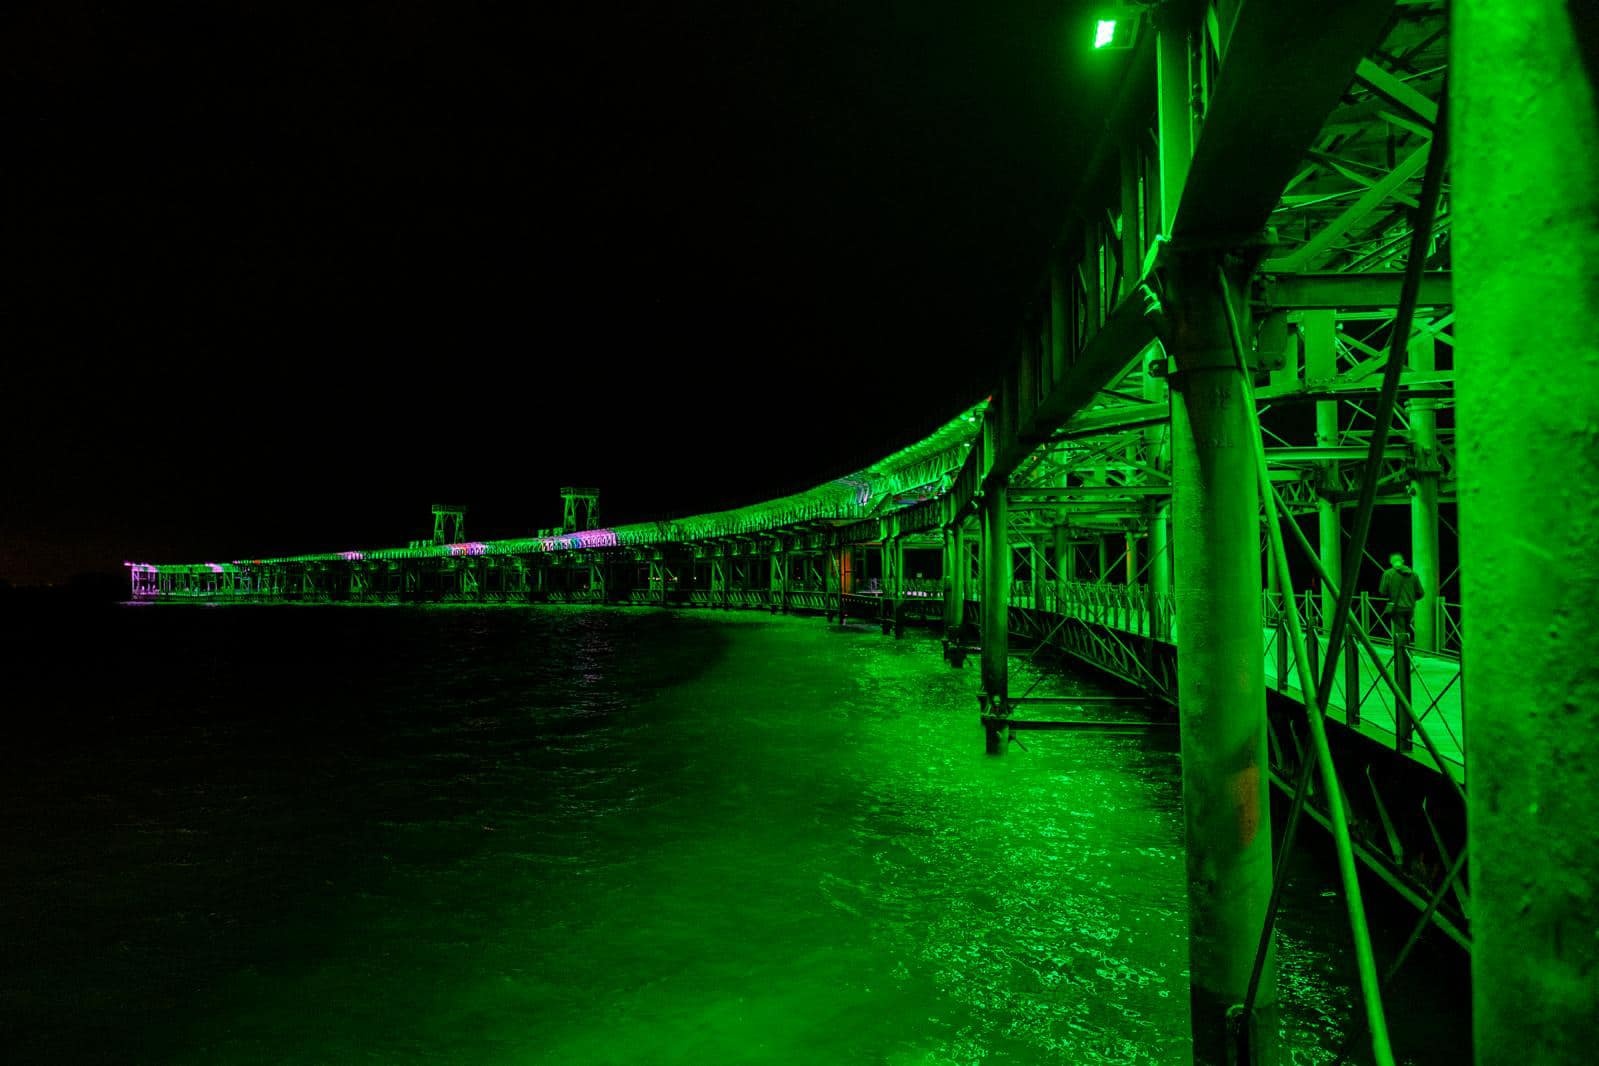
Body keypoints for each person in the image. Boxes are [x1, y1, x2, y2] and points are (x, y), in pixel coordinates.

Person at [1378, 552, 1424, 644]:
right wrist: (1411, 599)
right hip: (1410, 607)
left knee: (1400, 630)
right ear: (1402, 561)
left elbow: (1382, 592)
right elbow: (1421, 593)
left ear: (1391, 562)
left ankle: (1401, 654)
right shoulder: (1414, 574)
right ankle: (1407, 651)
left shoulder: (1388, 574)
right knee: (1407, 629)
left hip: (1396, 607)